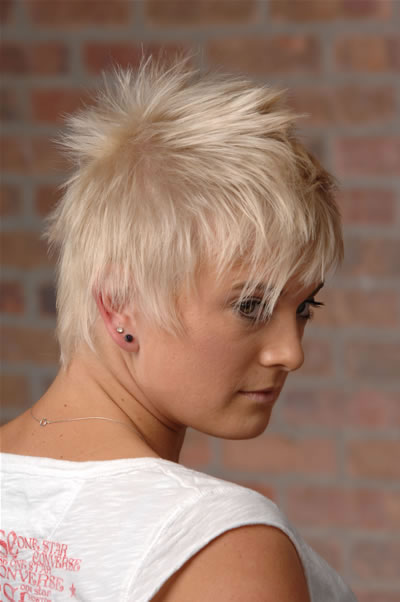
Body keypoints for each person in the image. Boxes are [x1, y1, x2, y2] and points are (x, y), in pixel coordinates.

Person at [0, 56, 357, 601]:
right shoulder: (220, 543)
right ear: (120, 303)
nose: (291, 353)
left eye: (305, 307)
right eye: (251, 306)